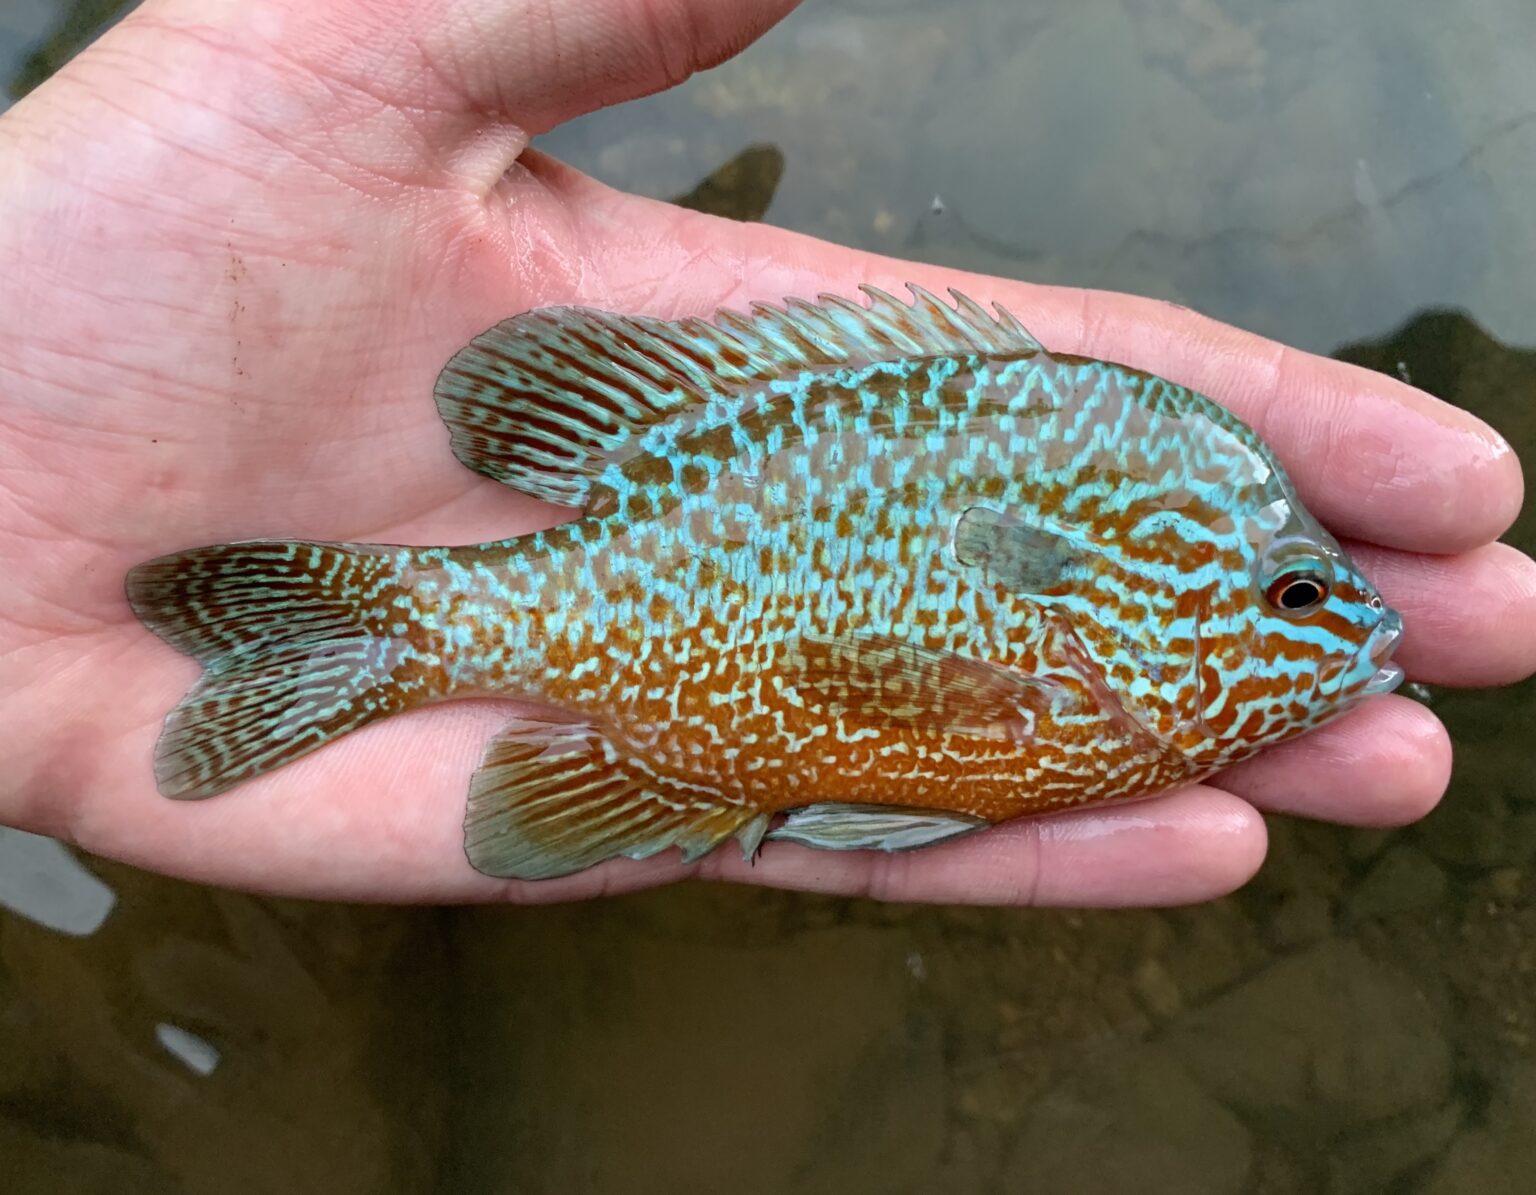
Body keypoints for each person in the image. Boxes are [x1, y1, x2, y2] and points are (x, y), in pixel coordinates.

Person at [0, 0, 1531, 906]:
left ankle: (375, 639)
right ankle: (383, 634)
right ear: (1133, 603)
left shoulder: (1110, 665)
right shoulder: (1094, 657)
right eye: (1294, 602)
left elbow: (899, 731)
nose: (1354, 630)